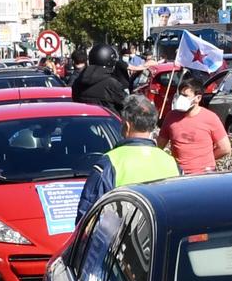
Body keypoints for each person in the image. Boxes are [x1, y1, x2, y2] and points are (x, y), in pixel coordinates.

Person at [75, 95, 182, 229]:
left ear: (127, 125)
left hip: (123, 243)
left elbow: (88, 217)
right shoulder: (170, 162)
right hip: (160, 241)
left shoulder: (111, 162)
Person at [158, 77, 230, 174]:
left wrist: (205, 160)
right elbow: (159, 146)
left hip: (204, 175)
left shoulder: (210, 118)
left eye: (185, 96)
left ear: (198, 98)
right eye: (180, 95)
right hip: (179, 175)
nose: (180, 99)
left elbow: (225, 148)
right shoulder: (171, 117)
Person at [71, 43, 129, 112]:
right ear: (110, 61)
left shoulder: (78, 81)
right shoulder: (111, 84)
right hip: (107, 122)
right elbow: (128, 105)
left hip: (83, 121)